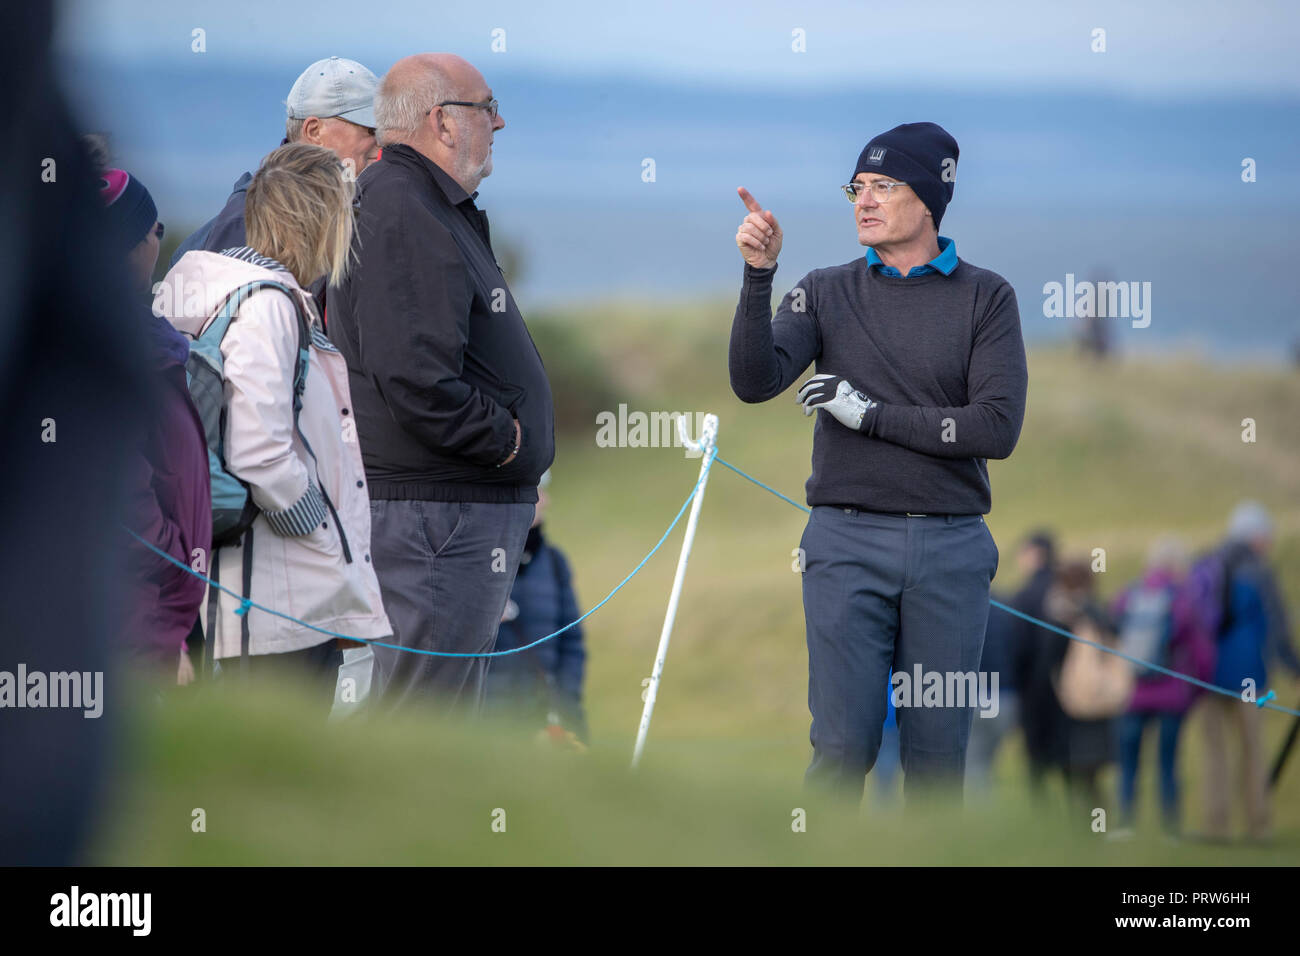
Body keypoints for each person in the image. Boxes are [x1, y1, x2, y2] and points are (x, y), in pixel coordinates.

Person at [728, 122, 1027, 803]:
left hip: (950, 548)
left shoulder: (988, 298)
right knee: (842, 747)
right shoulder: (824, 291)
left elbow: (995, 427)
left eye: (883, 187)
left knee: (935, 762)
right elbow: (755, 380)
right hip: (845, 542)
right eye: (857, 187)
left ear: (928, 199)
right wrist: (758, 277)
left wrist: (870, 414)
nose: (864, 200)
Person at [328, 54, 555, 715]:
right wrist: (509, 443)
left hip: (444, 513)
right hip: (438, 518)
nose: (500, 122)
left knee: (438, 718)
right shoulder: (403, 207)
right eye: (487, 108)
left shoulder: (418, 201)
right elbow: (415, 377)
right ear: (444, 122)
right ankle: (396, 825)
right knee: (422, 721)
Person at [156, 143, 391, 707]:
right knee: (274, 767)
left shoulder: (203, 291)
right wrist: (321, 527)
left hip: (230, 581)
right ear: (319, 221)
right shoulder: (268, 305)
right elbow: (260, 449)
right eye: (346, 213)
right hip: (270, 596)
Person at [89, 137, 212, 683]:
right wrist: (171, 578)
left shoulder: (134, 338)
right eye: (154, 227)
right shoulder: (105, 345)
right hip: (135, 613)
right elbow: (122, 496)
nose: (161, 239)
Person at [169, 56, 380, 271]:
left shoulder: (315, 211)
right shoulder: (246, 226)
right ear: (314, 131)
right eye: (371, 130)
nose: (382, 143)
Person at [1198, 502, 1300, 841]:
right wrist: (1294, 669)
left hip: (1205, 674)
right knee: (1252, 750)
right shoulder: (1259, 570)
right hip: (1249, 678)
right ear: (1256, 536)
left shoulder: (1207, 561)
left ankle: (1217, 826)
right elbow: (1278, 626)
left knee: (1214, 754)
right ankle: (1258, 826)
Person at [1109, 536, 1213, 837]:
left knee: (1128, 763)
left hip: (1133, 693)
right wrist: (1197, 692)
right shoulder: (1183, 598)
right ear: (1177, 564)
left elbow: (1114, 631)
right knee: (1168, 763)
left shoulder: (1129, 594)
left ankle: (1125, 825)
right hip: (1171, 695)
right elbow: (1202, 654)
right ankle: (1170, 830)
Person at [484, 471, 588, 743]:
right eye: (536, 491)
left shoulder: (555, 562)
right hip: (489, 724)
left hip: (545, 718)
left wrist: (565, 708)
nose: (545, 500)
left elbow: (572, 644)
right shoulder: (475, 561)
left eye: (542, 492)